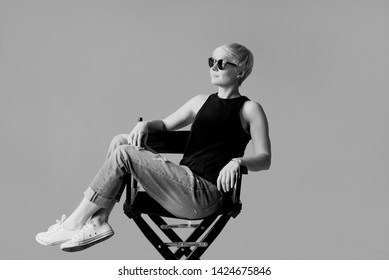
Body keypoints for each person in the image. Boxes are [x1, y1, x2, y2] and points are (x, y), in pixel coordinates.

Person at [36, 42, 271, 252]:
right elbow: (166, 125)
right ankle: (98, 221)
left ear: (240, 70)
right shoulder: (200, 102)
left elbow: (264, 158)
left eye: (221, 63)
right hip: (182, 184)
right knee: (121, 141)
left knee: (124, 153)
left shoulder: (250, 109)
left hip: (204, 193)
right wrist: (146, 125)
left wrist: (238, 161)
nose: (213, 68)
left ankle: (74, 223)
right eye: (211, 62)